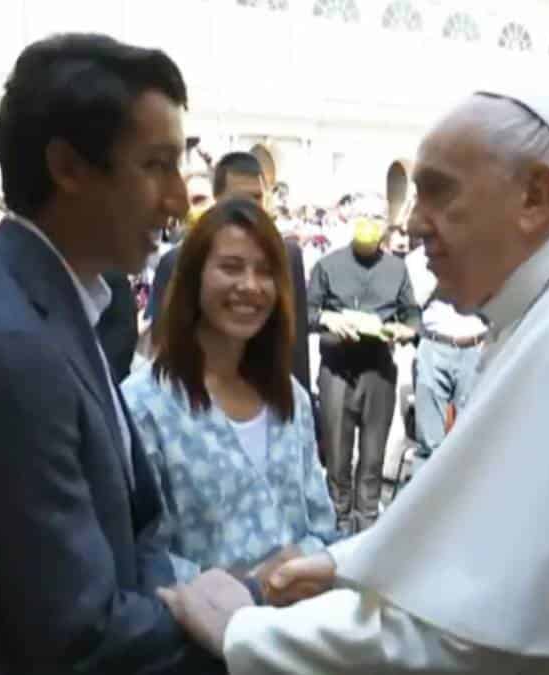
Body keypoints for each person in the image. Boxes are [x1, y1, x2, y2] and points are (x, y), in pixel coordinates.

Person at [158, 92, 549, 674]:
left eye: (438, 194)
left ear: (533, 197)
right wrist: (349, 564)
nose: (411, 224)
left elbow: (475, 635)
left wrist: (247, 635)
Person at [0, 33, 234, 675]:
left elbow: (136, 528)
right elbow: (77, 632)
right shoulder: (1, 347)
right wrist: (242, 614)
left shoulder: (63, 305)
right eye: (157, 165)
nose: (180, 198)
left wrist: (186, 599)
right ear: (69, 167)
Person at [122, 198, 338, 583]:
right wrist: (250, 586)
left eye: (265, 271)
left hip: (299, 631)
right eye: (231, 267)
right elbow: (140, 555)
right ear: (195, 278)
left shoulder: (291, 399)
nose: (250, 286)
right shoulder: (143, 406)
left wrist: (301, 564)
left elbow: (322, 526)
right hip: (203, 637)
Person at [147, 152, 311, 389]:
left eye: (257, 197)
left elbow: (295, 347)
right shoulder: (176, 261)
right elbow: (163, 342)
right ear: (219, 200)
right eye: (230, 267)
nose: (251, 209)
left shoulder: (288, 257)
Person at [308, 217, 420, 533]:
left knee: (372, 458)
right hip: (337, 368)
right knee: (338, 459)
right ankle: (337, 524)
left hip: (378, 368)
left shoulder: (396, 269)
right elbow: (306, 312)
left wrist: (406, 329)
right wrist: (326, 318)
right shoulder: (327, 265)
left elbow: (411, 312)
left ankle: (367, 525)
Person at [403, 242, 485, 473]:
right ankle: (424, 504)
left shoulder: (484, 247)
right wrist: (441, 270)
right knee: (429, 441)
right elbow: (412, 302)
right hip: (434, 345)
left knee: (472, 436)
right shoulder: (419, 258)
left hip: (473, 345)